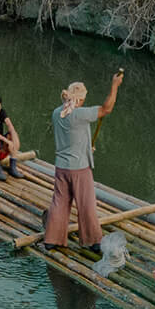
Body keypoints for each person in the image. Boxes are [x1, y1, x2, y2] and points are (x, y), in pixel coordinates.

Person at [42, 71, 122, 251]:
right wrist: (114, 86)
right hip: (79, 168)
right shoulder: (79, 114)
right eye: (84, 98)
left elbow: (72, 136)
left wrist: (86, 147)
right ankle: (93, 241)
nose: (85, 101)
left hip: (61, 166)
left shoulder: (57, 113)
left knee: (59, 202)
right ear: (79, 99)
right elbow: (106, 109)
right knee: (86, 203)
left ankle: (52, 239)